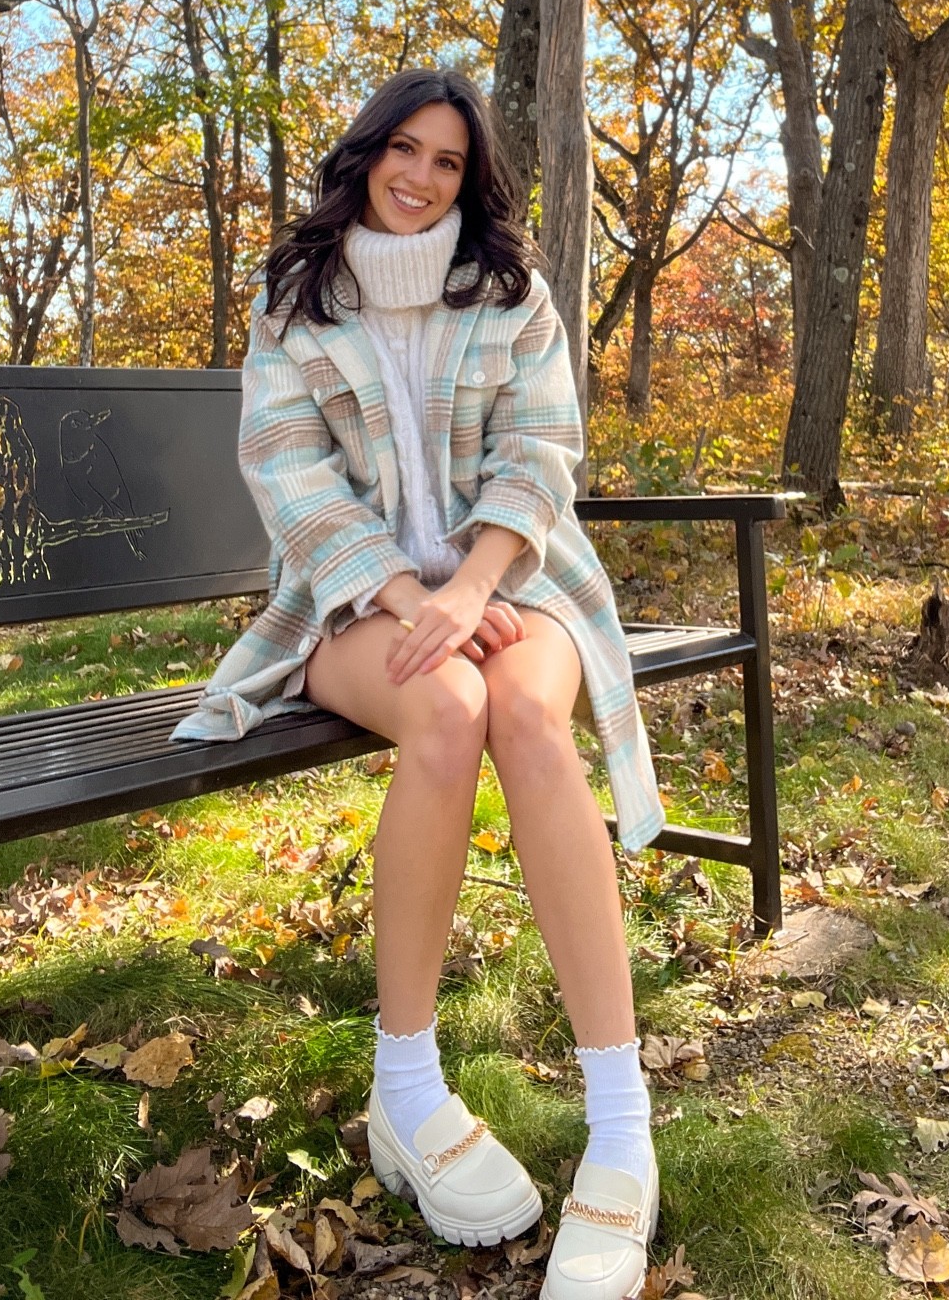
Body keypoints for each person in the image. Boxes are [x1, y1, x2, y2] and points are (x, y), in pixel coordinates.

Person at [173, 67, 666, 1300]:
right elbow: (290, 478)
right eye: (404, 149)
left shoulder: (513, 294)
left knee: (521, 714)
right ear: (366, 154)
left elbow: (542, 453)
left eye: (448, 161)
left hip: (521, 582)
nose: (422, 176)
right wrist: (415, 597)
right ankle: (407, 1089)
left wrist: (477, 583)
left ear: (470, 179)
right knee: (444, 705)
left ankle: (622, 1116)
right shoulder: (296, 302)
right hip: (353, 604)